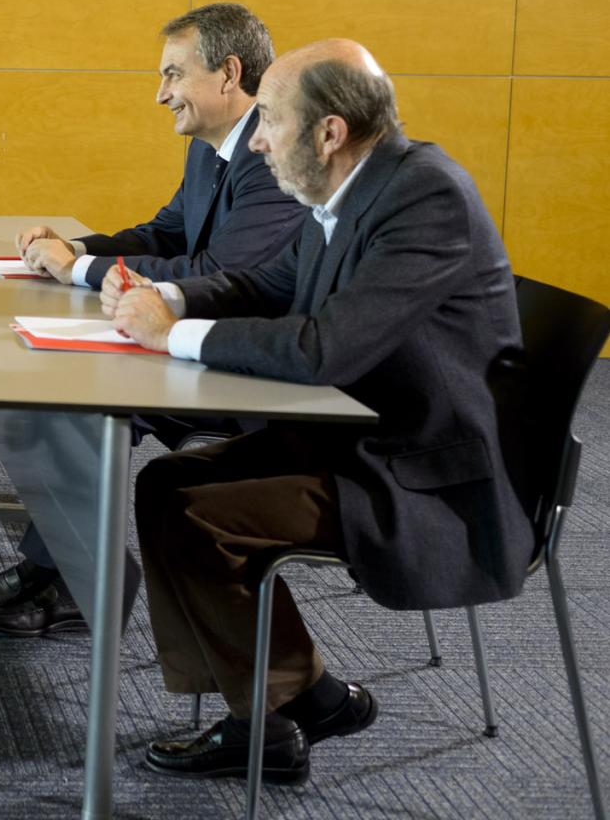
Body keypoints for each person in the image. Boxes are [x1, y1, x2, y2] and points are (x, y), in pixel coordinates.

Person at [109, 39, 527, 784]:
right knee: (163, 485)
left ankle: (261, 728)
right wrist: (165, 296)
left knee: (202, 520)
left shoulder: (426, 195)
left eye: (269, 119)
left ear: (329, 132)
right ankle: (309, 696)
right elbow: (268, 284)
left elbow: (321, 351)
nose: (258, 139)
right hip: (352, 436)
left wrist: (172, 336)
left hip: (418, 472)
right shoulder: (353, 187)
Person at [0, 3, 307, 636]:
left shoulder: (269, 154)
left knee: (77, 404)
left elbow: (218, 272)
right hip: (195, 352)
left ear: (227, 74)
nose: (160, 94)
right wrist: (75, 250)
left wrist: (74, 271)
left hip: (252, 370)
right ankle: (62, 572)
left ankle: (84, 583)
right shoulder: (210, 146)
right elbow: (166, 232)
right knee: (55, 400)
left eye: (172, 75)